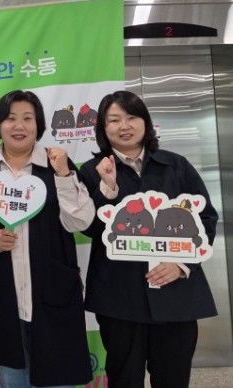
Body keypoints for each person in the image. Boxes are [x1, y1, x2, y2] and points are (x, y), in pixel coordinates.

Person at [77, 90, 217, 388]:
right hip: (119, 298)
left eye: (131, 117)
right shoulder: (91, 171)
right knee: (124, 379)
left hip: (175, 295)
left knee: (173, 378)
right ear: (103, 127)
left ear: (146, 122)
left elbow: (205, 219)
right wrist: (108, 189)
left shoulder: (176, 165)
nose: (124, 126)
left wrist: (181, 264)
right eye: (114, 120)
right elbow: (89, 228)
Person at [0, 90, 93, 388]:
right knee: (13, 376)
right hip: (4, 293)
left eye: (28, 118)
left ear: (39, 125)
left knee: (58, 376)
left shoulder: (57, 164)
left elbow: (80, 221)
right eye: (10, 118)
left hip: (53, 290)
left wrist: (64, 175)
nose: (19, 126)